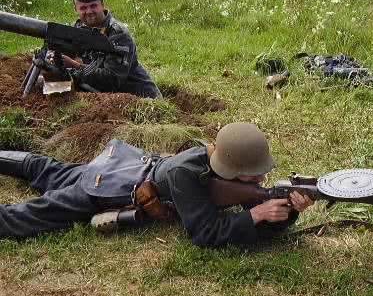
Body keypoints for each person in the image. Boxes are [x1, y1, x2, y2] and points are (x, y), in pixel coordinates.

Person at [0, 123, 314, 247]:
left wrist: (288, 210)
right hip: (110, 188)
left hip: (127, 166)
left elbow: (265, 220)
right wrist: (255, 214)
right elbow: (204, 234)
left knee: (51, 170)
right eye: (254, 174)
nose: (261, 179)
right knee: (32, 214)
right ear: (233, 167)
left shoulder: (228, 163)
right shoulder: (186, 174)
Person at [48, 0, 161, 98]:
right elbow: (58, 49)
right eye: (83, 8)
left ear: (103, 5)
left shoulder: (119, 35)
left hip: (141, 99)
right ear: (75, 10)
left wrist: (75, 66)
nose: (89, 11)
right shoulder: (78, 29)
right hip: (107, 97)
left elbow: (112, 80)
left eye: (93, 6)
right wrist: (53, 57)